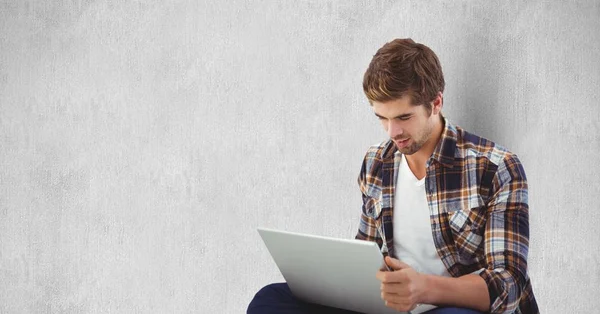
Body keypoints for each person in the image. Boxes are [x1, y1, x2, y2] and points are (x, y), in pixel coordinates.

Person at [248, 38, 539, 314]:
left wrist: (424, 289)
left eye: (403, 117)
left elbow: (509, 285)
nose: (392, 132)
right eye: (382, 118)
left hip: (453, 307)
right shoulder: (377, 162)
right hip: (391, 307)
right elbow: (365, 254)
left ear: (436, 103)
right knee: (270, 301)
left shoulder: (495, 167)